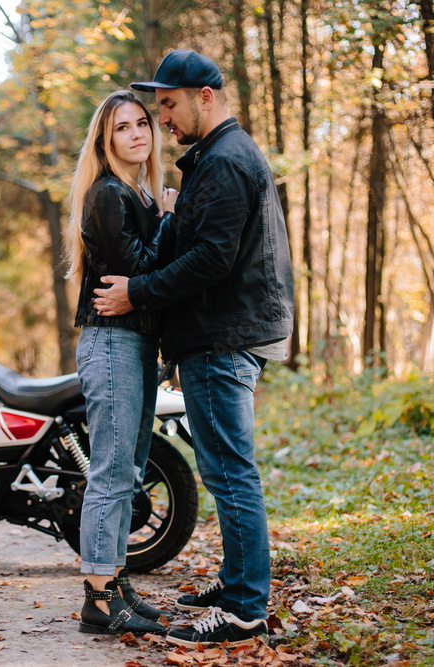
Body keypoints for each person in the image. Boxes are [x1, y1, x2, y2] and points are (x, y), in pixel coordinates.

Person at [92, 50, 295, 648]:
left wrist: (138, 293)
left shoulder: (227, 161)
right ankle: (237, 585)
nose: (165, 120)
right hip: (218, 335)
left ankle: (243, 612)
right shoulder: (219, 158)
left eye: (171, 105)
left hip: (222, 338)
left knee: (231, 475)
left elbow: (211, 260)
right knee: (225, 471)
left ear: (205, 96)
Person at [64, 89, 178, 636]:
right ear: (105, 141)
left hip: (133, 343)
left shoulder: (137, 194)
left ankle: (117, 581)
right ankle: (98, 598)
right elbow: (142, 268)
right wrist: (171, 219)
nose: (137, 133)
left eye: (142, 124)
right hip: (111, 343)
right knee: (111, 472)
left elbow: (146, 279)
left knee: (128, 469)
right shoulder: (110, 194)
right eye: (122, 128)